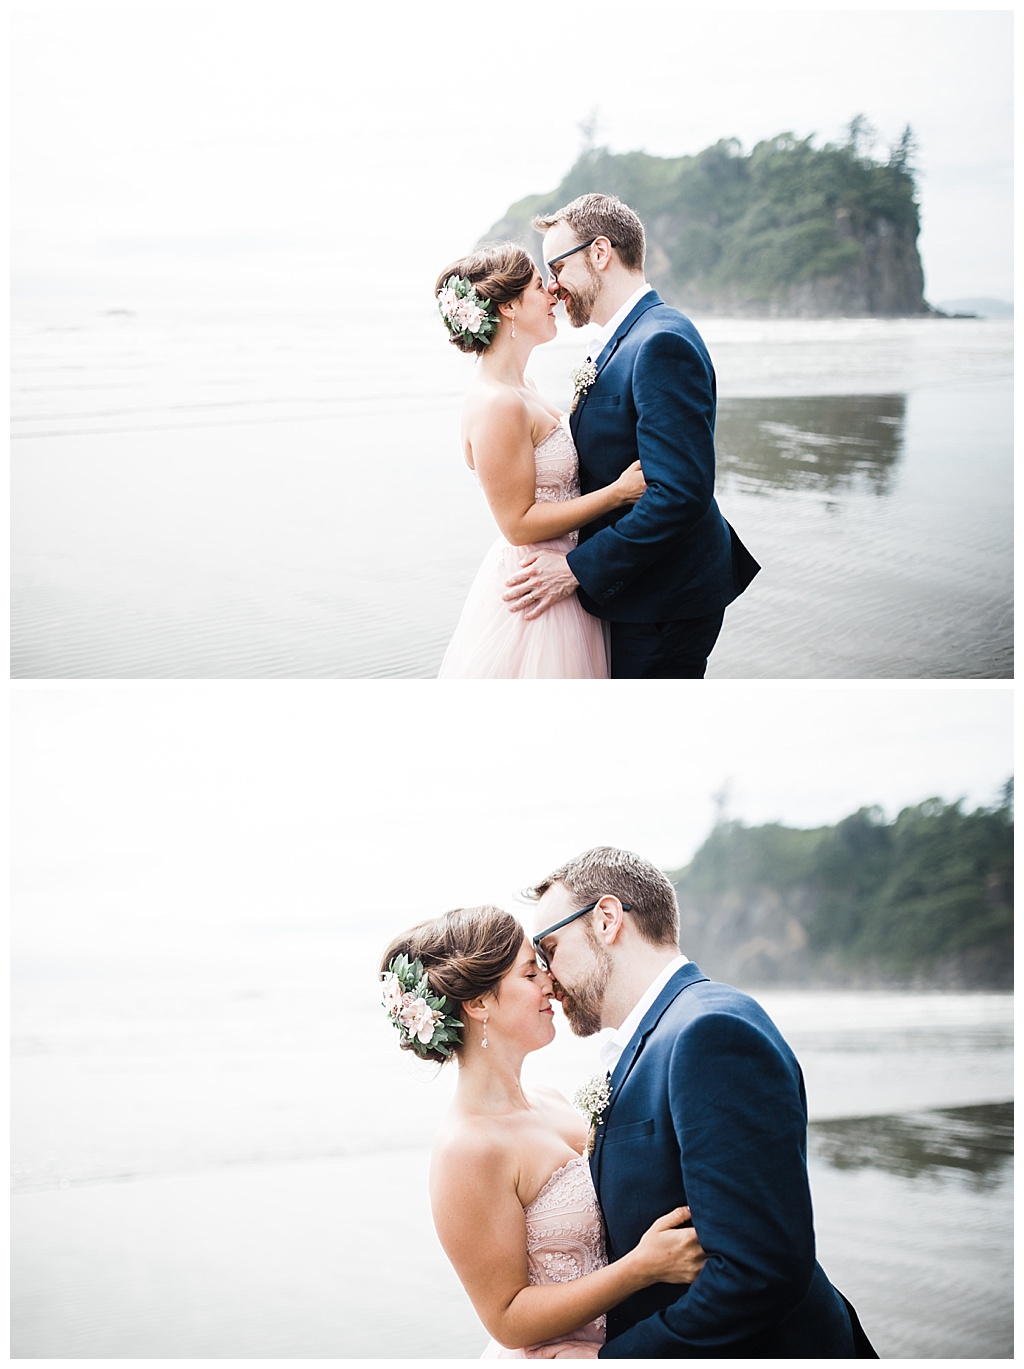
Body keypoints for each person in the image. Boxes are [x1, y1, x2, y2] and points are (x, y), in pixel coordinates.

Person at [525, 846, 879, 1359]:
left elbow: (759, 1274)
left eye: (550, 948)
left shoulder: (709, 1033)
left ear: (605, 920)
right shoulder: (662, 1033)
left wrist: (611, 1361)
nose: (548, 977)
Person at [378, 906, 707, 1357]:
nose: (550, 983)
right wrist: (642, 1268)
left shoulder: (550, 1098)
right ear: (478, 1004)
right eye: (530, 973)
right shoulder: (469, 1148)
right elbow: (507, 1317)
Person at [503, 194, 760, 679]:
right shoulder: (626, 339)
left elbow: (679, 493)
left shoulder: (660, 342)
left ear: (600, 253)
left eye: (556, 267)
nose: (554, 287)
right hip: (639, 594)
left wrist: (576, 568)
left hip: (661, 603)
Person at [433, 245, 648, 678]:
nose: (553, 292)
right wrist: (617, 494)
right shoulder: (498, 404)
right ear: (509, 307)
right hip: (537, 586)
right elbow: (516, 524)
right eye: (537, 285)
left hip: (566, 571)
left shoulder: (522, 384)